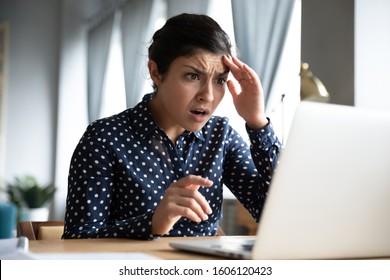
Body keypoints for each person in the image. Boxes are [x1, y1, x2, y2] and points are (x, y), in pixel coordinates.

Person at [62, 13, 281, 240]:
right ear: (156, 72)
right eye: (193, 76)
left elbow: (274, 214)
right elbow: (77, 239)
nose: (207, 96)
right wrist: (152, 223)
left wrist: (257, 122)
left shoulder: (220, 136)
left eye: (219, 80)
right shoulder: (104, 139)